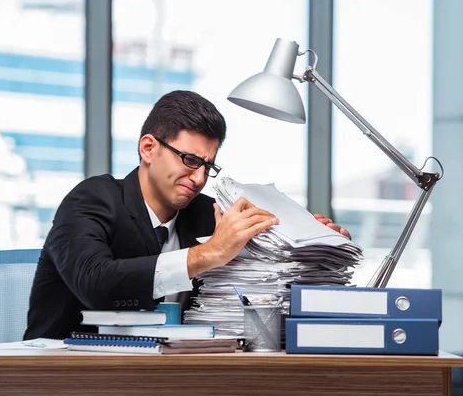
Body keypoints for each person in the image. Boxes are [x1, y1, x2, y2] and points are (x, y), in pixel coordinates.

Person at [23, 90, 350, 340]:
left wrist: (313, 253)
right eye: (190, 160)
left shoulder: (207, 216)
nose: (199, 178)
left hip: (175, 374)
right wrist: (210, 253)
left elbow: (261, 289)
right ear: (148, 148)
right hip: (68, 373)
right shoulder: (92, 199)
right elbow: (96, 283)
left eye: (208, 166)